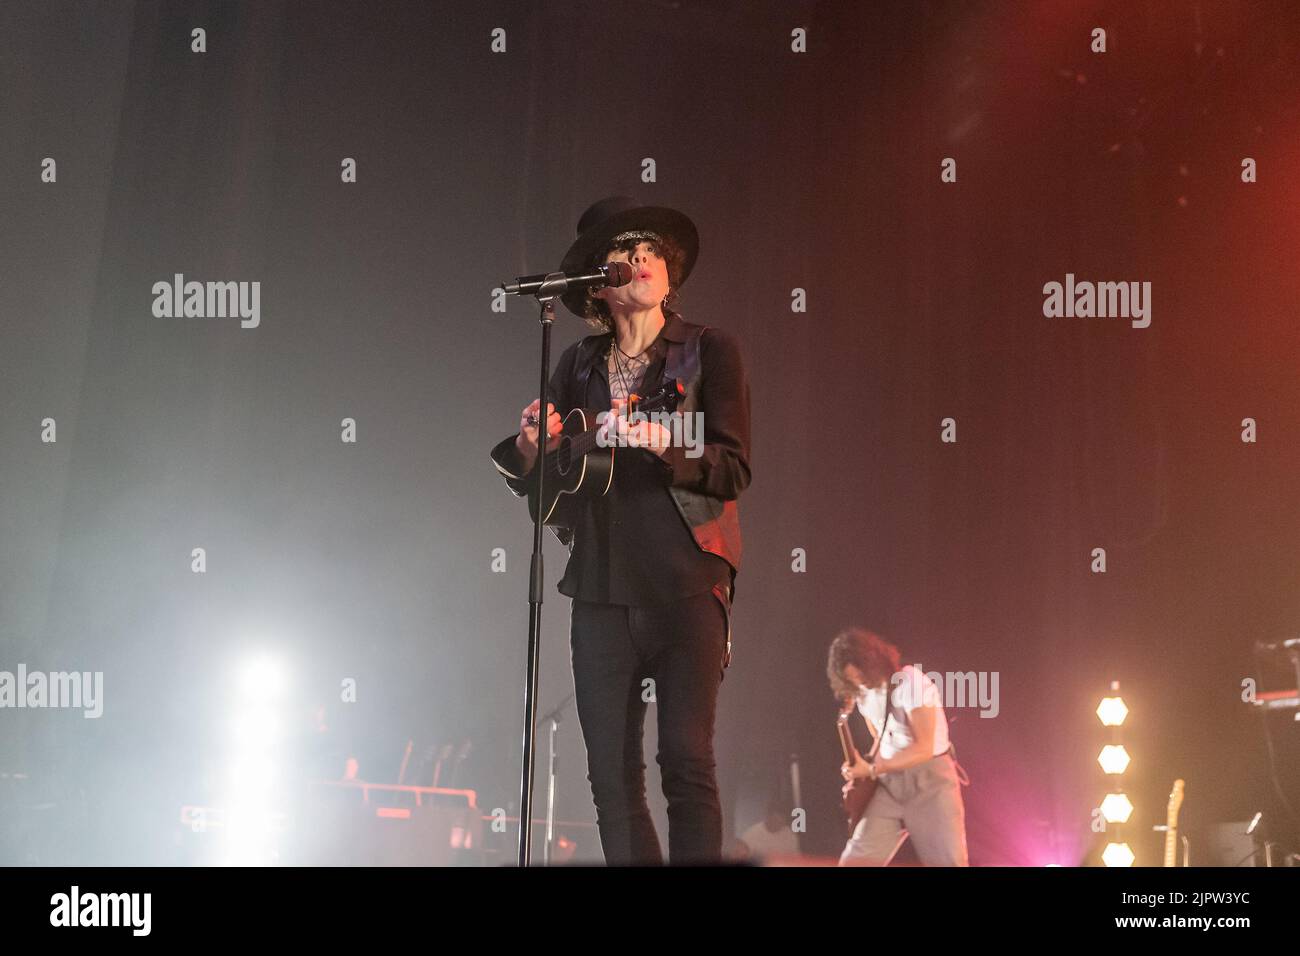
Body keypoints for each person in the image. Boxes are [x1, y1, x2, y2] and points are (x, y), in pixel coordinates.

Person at [489, 196, 751, 864]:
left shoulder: (709, 352)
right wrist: (531, 450)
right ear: (598, 285)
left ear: (669, 273)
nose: (637, 263)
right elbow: (548, 498)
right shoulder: (576, 364)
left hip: (687, 583)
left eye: (650, 252)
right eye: (624, 254)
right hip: (602, 588)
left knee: (684, 761)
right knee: (608, 775)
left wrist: (664, 443)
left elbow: (733, 468)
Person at [826, 627, 970, 866]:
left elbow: (923, 747)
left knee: (948, 862)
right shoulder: (862, 695)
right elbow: (881, 742)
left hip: (930, 782)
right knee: (856, 861)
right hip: (889, 784)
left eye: (860, 676)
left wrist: (871, 771)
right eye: (850, 680)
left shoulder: (910, 681)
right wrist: (860, 769)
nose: (858, 683)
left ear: (871, 662)